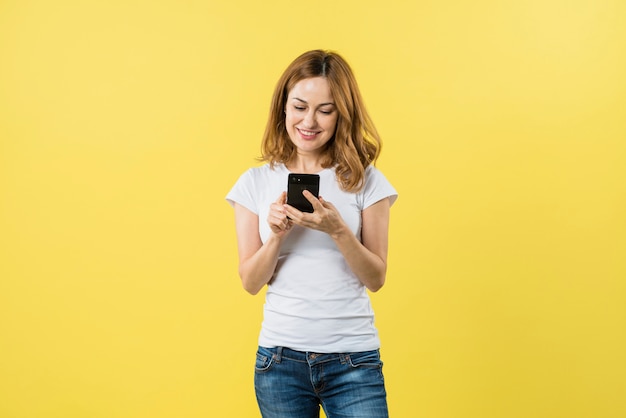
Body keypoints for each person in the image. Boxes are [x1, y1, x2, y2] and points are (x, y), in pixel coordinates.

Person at [226, 49, 397, 418]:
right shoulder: (254, 183)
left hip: (354, 361)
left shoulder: (367, 181)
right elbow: (251, 283)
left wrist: (338, 231)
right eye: (300, 106)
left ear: (342, 114)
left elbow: (376, 277)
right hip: (279, 363)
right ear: (283, 108)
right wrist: (275, 235)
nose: (309, 121)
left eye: (326, 109)